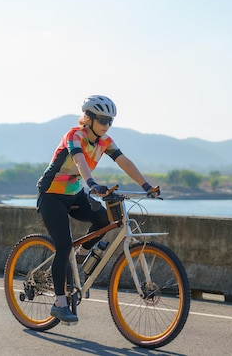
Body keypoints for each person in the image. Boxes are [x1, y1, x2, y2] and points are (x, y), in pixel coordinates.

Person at [36, 95, 158, 323]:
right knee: (63, 246)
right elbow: (80, 161)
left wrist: (147, 185)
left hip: (73, 193)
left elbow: (124, 161)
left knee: (103, 220)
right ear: (88, 119)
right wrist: (91, 183)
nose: (107, 125)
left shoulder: (105, 141)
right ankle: (59, 303)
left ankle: (80, 259)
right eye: (102, 120)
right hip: (52, 194)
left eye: (110, 121)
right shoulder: (75, 135)